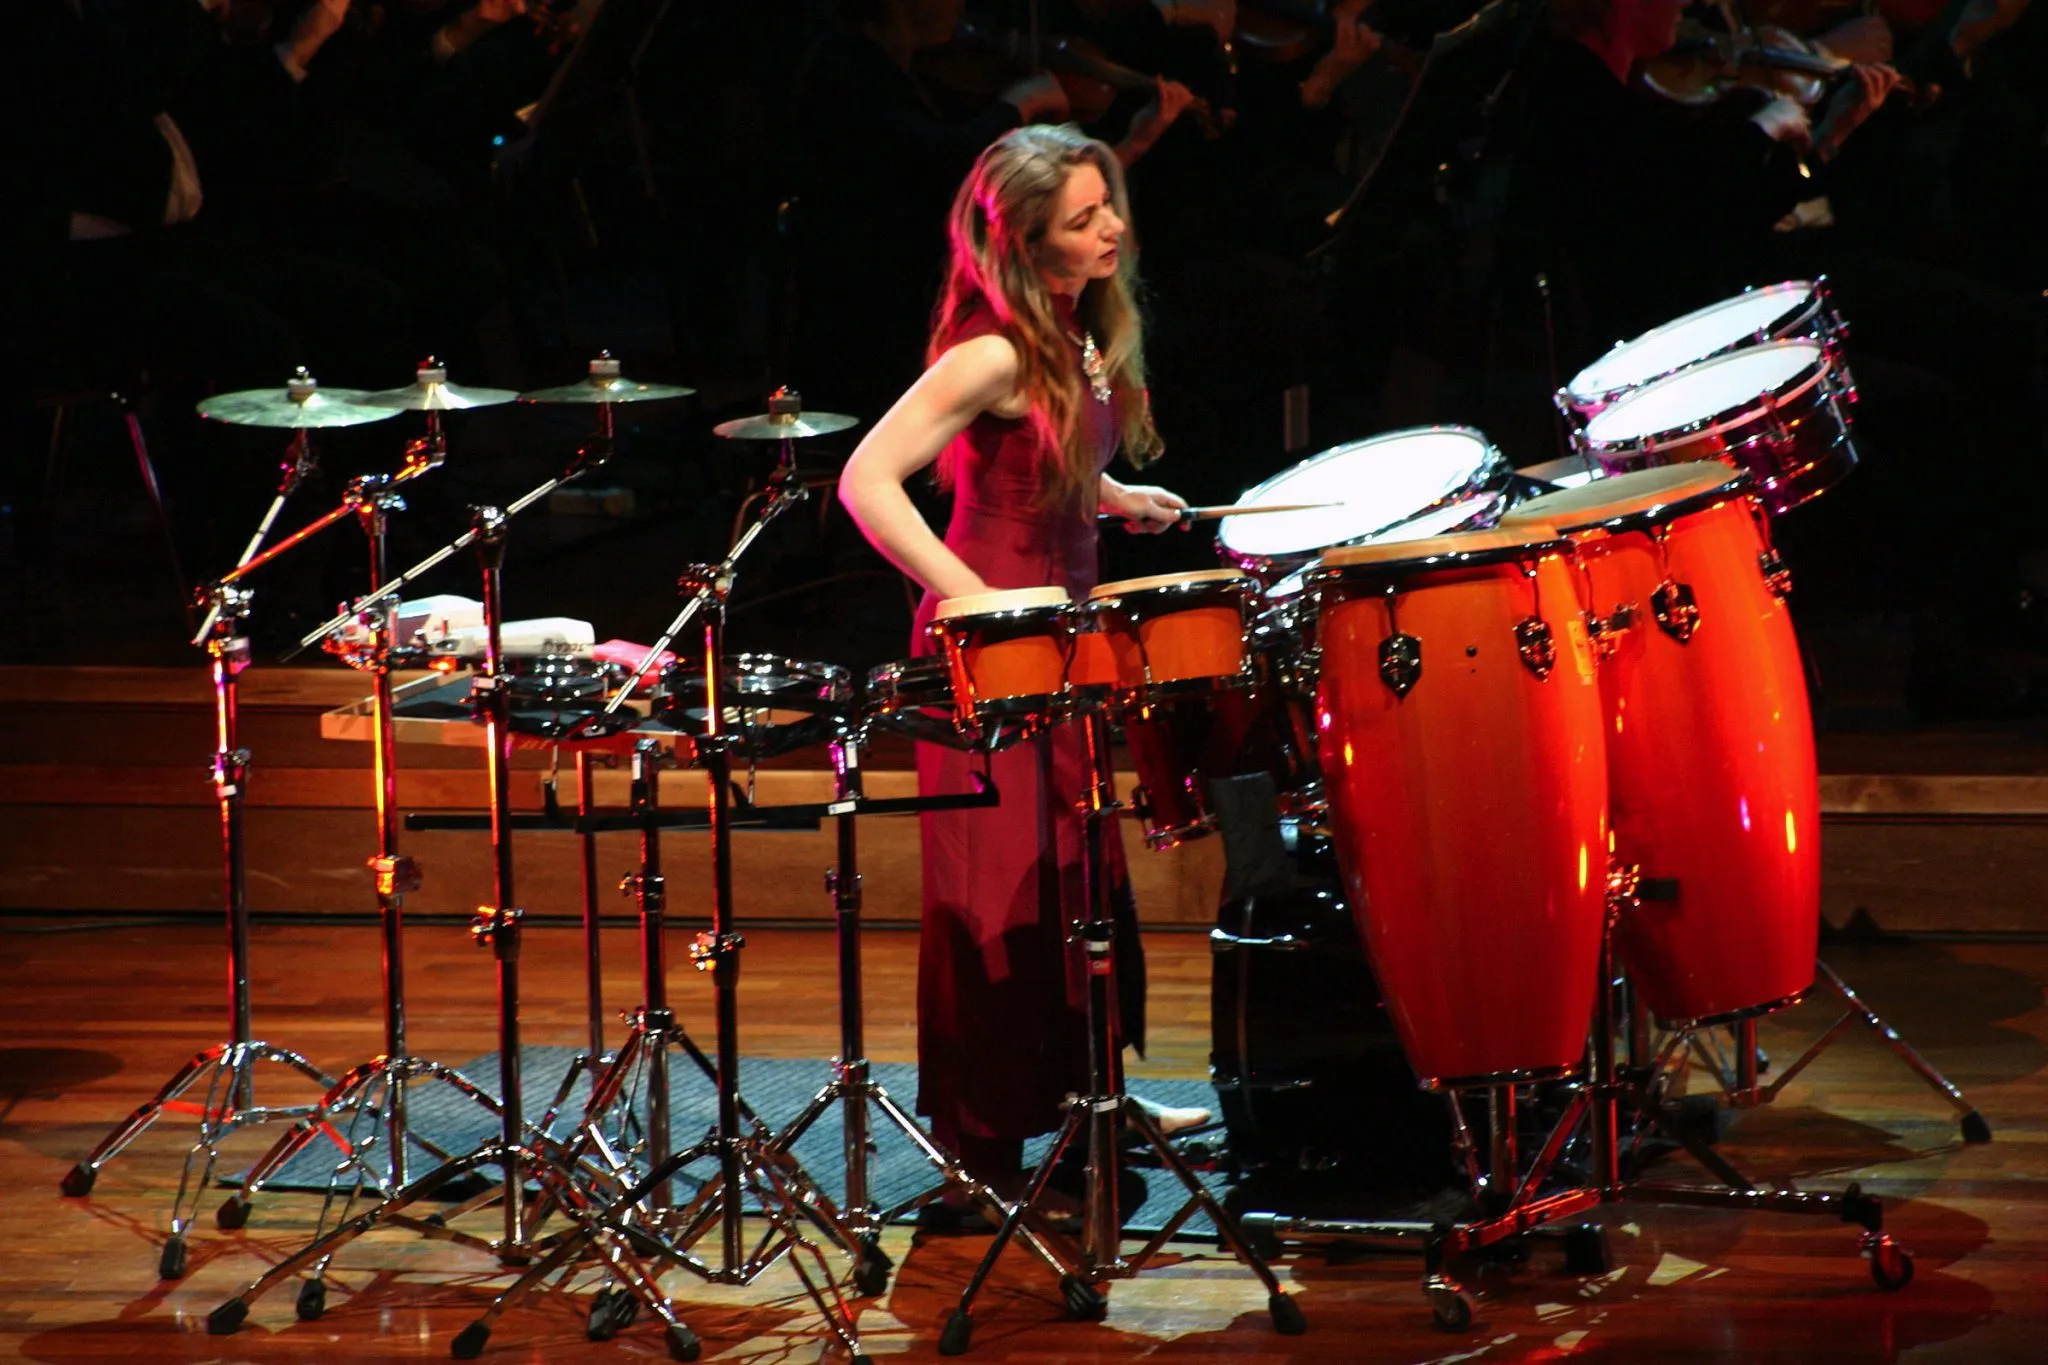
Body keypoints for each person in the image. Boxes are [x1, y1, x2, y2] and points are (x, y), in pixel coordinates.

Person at [837, 124, 1202, 1205]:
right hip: (994, 652)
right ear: (1027, 240)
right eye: (1084, 218)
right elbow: (866, 481)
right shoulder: (993, 350)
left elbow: (1040, 460)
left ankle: (1088, 1095)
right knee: (999, 894)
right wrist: (973, 596)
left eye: (1109, 205)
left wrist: (1113, 497)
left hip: (1062, 643)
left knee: (1074, 875)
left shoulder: (1070, 330)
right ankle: (984, 1142)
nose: (1112, 228)